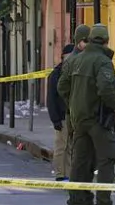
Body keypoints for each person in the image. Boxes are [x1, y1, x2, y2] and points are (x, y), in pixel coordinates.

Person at [58, 24, 115, 205]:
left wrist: (74, 103)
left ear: (90, 40)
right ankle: (103, 200)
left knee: (80, 161)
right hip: (97, 119)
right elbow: (106, 88)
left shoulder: (75, 60)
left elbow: (62, 86)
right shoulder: (102, 61)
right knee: (107, 157)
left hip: (78, 119)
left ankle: (78, 199)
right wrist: (114, 106)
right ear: (106, 41)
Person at [49, 43, 75, 181]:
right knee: (61, 146)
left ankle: (68, 173)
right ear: (64, 56)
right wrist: (55, 119)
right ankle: (59, 173)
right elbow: (51, 98)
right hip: (62, 115)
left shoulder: (72, 71)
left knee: (70, 147)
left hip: (72, 115)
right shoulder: (56, 74)